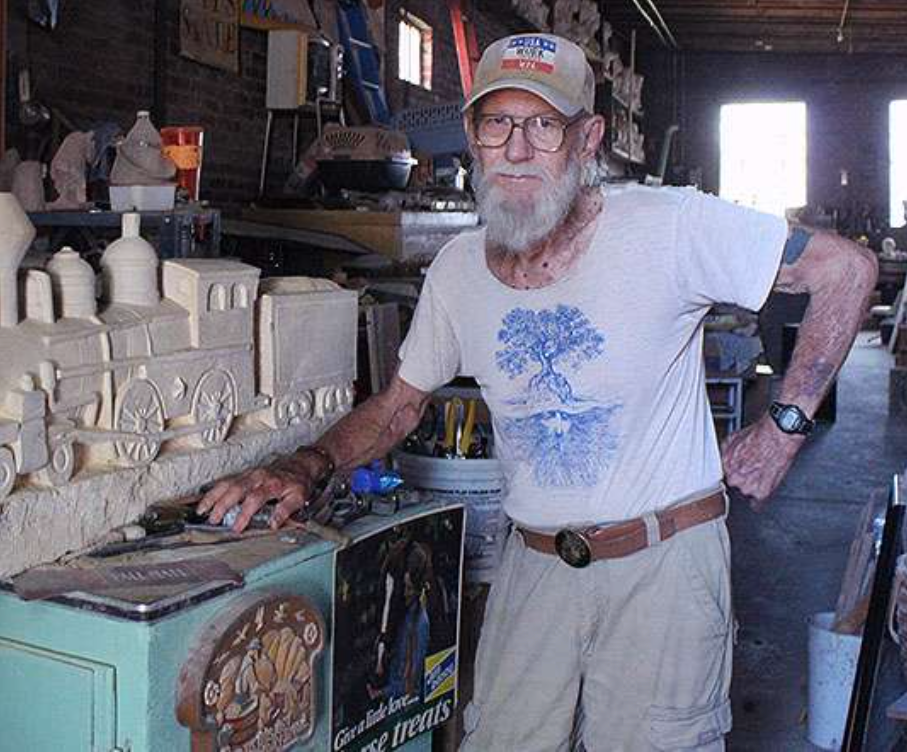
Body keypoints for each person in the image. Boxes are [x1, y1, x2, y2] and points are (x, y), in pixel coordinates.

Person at [198, 31, 878, 751]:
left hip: (664, 566)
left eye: (544, 125)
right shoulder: (458, 270)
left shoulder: (669, 226)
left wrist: (784, 426)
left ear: (587, 140)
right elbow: (400, 404)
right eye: (498, 123)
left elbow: (847, 270)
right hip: (535, 566)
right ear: (473, 138)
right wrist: (304, 465)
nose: (518, 149)